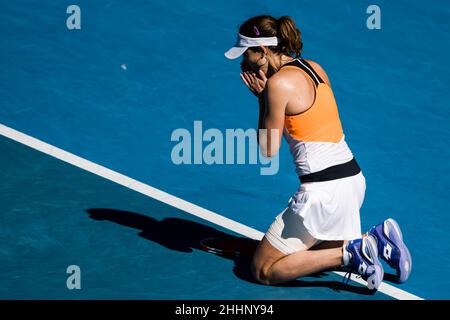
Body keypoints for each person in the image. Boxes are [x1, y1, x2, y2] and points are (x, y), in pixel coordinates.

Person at [224, 15, 412, 290]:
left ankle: (351, 253)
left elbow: (268, 149)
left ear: (263, 52)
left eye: (246, 54)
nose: (243, 62)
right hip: (353, 181)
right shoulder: (314, 68)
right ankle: (381, 240)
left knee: (263, 269)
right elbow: (306, 124)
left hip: (322, 195)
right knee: (312, 244)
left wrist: (263, 100)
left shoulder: (277, 87)